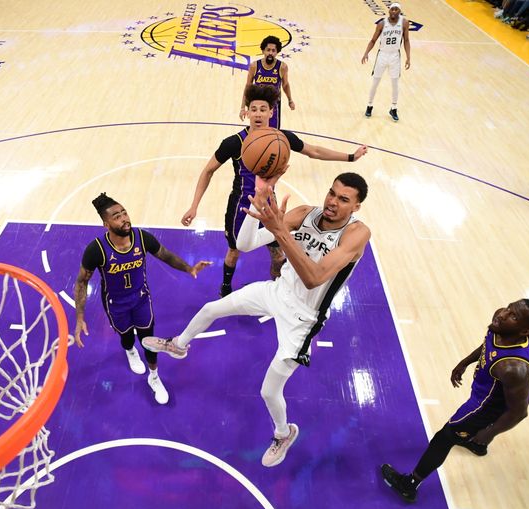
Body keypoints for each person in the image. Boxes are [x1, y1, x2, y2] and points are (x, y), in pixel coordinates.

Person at [145, 170, 372, 467]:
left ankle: (283, 433)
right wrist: (259, 209)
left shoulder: (357, 233)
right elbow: (245, 243)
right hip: (277, 292)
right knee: (212, 309)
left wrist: (279, 231)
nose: (332, 202)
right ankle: (179, 345)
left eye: (343, 199)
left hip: (304, 319)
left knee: (268, 391)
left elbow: (314, 278)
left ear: (356, 206)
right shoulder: (305, 213)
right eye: (332, 193)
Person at [182, 83, 368, 298]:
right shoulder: (234, 143)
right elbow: (208, 171)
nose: (258, 114)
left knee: (278, 250)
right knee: (234, 249)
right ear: (246, 112)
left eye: (263, 109)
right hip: (241, 206)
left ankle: (280, 286)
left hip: (269, 205)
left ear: (272, 112)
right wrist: (194, 206)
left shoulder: (282, 138)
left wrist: (351, 157)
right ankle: (225, 286)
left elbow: (314, 151)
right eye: (253, 109)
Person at [381, 299, 529, 503]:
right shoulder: (500, 327)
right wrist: (464, 363)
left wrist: (487, 432)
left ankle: (410, 485)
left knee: (443, 438)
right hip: (486, 392)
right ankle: (476, 444)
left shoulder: (514, 368)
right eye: (509, 307)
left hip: (484, 408)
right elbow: (488, 345)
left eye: (513, 316)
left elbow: (519, 412)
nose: (503, 314)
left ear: (525, 331)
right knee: (466, 435)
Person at [74, 193, 212, 405]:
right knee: (127, 337)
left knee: (149, 341)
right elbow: (82, 282)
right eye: (117, 216)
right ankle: (130, 351)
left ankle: (154, 377)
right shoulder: (97, 250)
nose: (124, 218)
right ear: (106, 224)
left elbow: (165, 254)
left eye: (124, 213)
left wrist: (189, 268)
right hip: (116, 305)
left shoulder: (141, 238)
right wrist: (80, 316)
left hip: (141, 300)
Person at [361, 2, 411, 121]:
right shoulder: (382, 24)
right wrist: (366, 52)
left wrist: (408, 57)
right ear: (389, 11)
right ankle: (369, 105)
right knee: (375, 82)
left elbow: (406, 40)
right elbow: (373, 40)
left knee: (395, 83)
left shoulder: (404, 23)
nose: (393, 11)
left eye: (396, 9)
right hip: (382, 55)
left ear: (399, 11)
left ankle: (393, 108)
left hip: (395, 56)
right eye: (392, 9)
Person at [239, 35, 294, 129]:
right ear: (263, 51)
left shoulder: (282, 67)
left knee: (272, 132)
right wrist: (243, 108)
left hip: (273, 105)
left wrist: (290, 100)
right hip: (257, 105)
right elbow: (248, 87)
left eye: (273, 51)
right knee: (256, 131)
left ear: (277, 52)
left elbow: (285, 85)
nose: (270, 53)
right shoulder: (254, 66)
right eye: (268, 50)